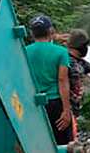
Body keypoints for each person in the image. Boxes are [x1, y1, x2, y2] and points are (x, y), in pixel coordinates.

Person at [24, 15, 73, 146]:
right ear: (50, 30)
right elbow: (62, 80)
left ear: (31, 33)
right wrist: (66, 110)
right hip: (55, 103)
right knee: (63, 145)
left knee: (39, 144)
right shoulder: (61, 52)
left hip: (33, 104)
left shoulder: (24, 52)